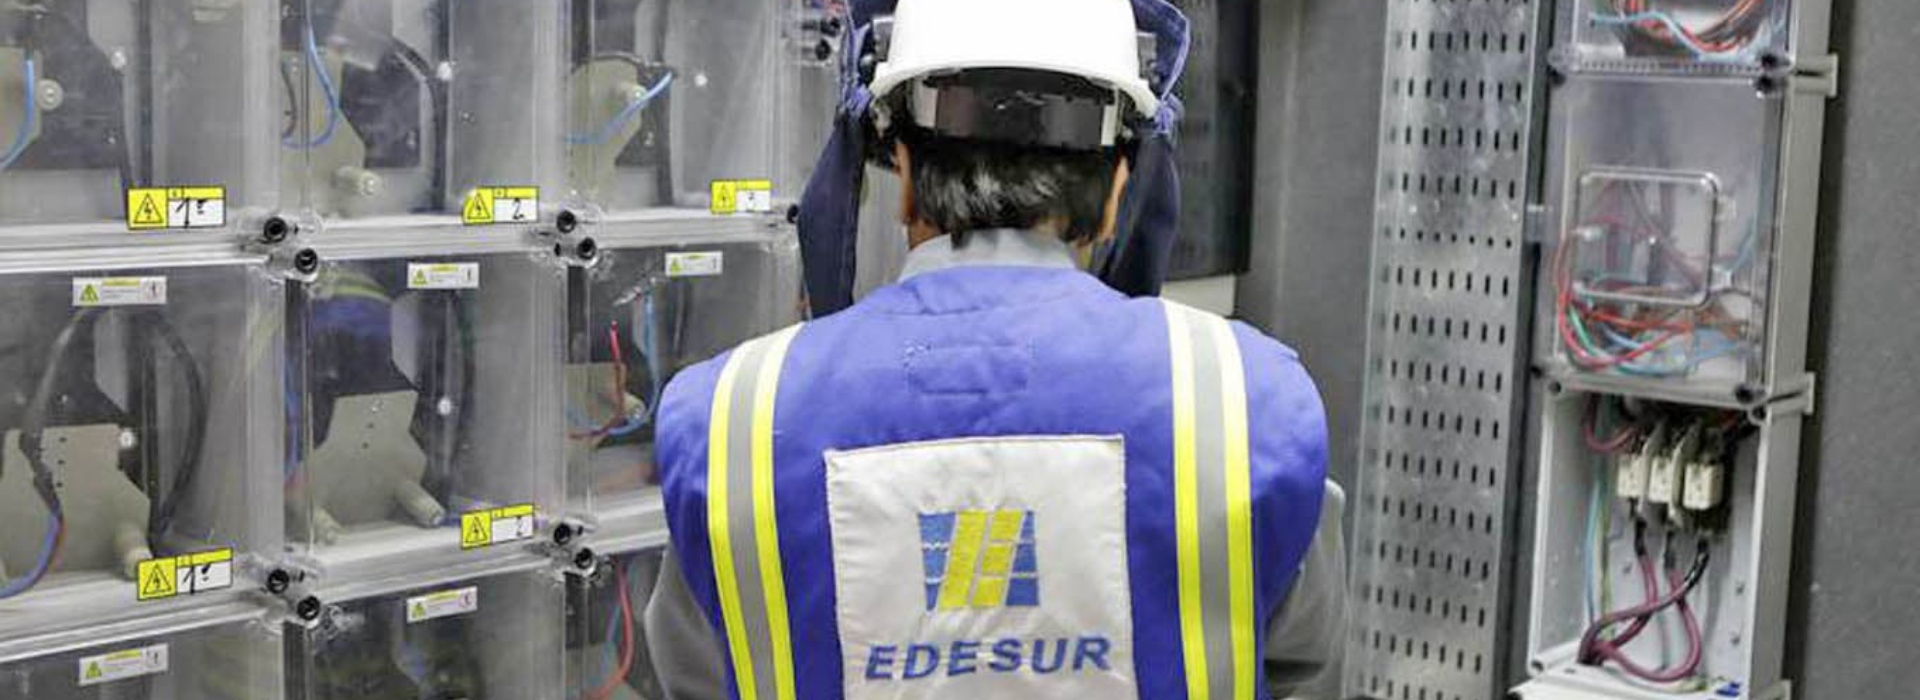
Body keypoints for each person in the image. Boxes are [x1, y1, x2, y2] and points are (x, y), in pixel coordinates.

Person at [643, 0, 1346, 697]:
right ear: (1116, 194)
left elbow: (697, 672)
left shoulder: (734, 421)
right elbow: (1304, 670)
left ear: (906, 179)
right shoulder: (1245, 405)